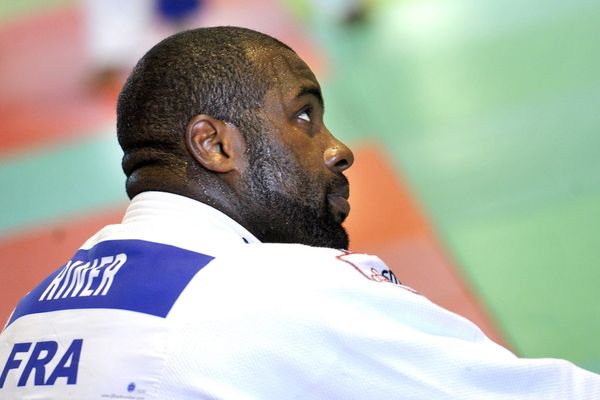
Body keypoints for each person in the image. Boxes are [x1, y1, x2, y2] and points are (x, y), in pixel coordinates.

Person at [0, 26, 598, 399]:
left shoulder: (26, 323)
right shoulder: (284, 291)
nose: (339, 148)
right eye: (304, 117)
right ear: (214, 145)